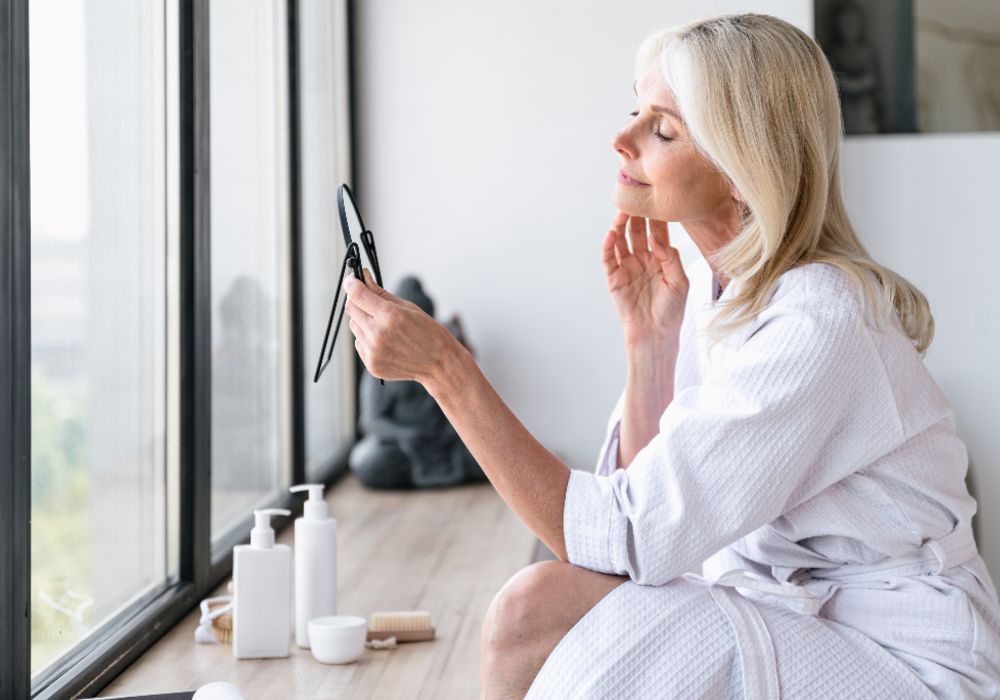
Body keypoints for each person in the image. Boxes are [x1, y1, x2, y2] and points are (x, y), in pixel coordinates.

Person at [343, 12, 1000, 699]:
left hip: (904, 660)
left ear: (745, 170)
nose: (621, 139)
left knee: (531, 613)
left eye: (661, 130)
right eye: (636, 112)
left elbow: (626, 535)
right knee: (531, 613)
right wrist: (649, 347)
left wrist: (445, 371)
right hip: (797, 615)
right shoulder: (723, 290)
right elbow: (641, 513)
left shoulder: (816, 323)